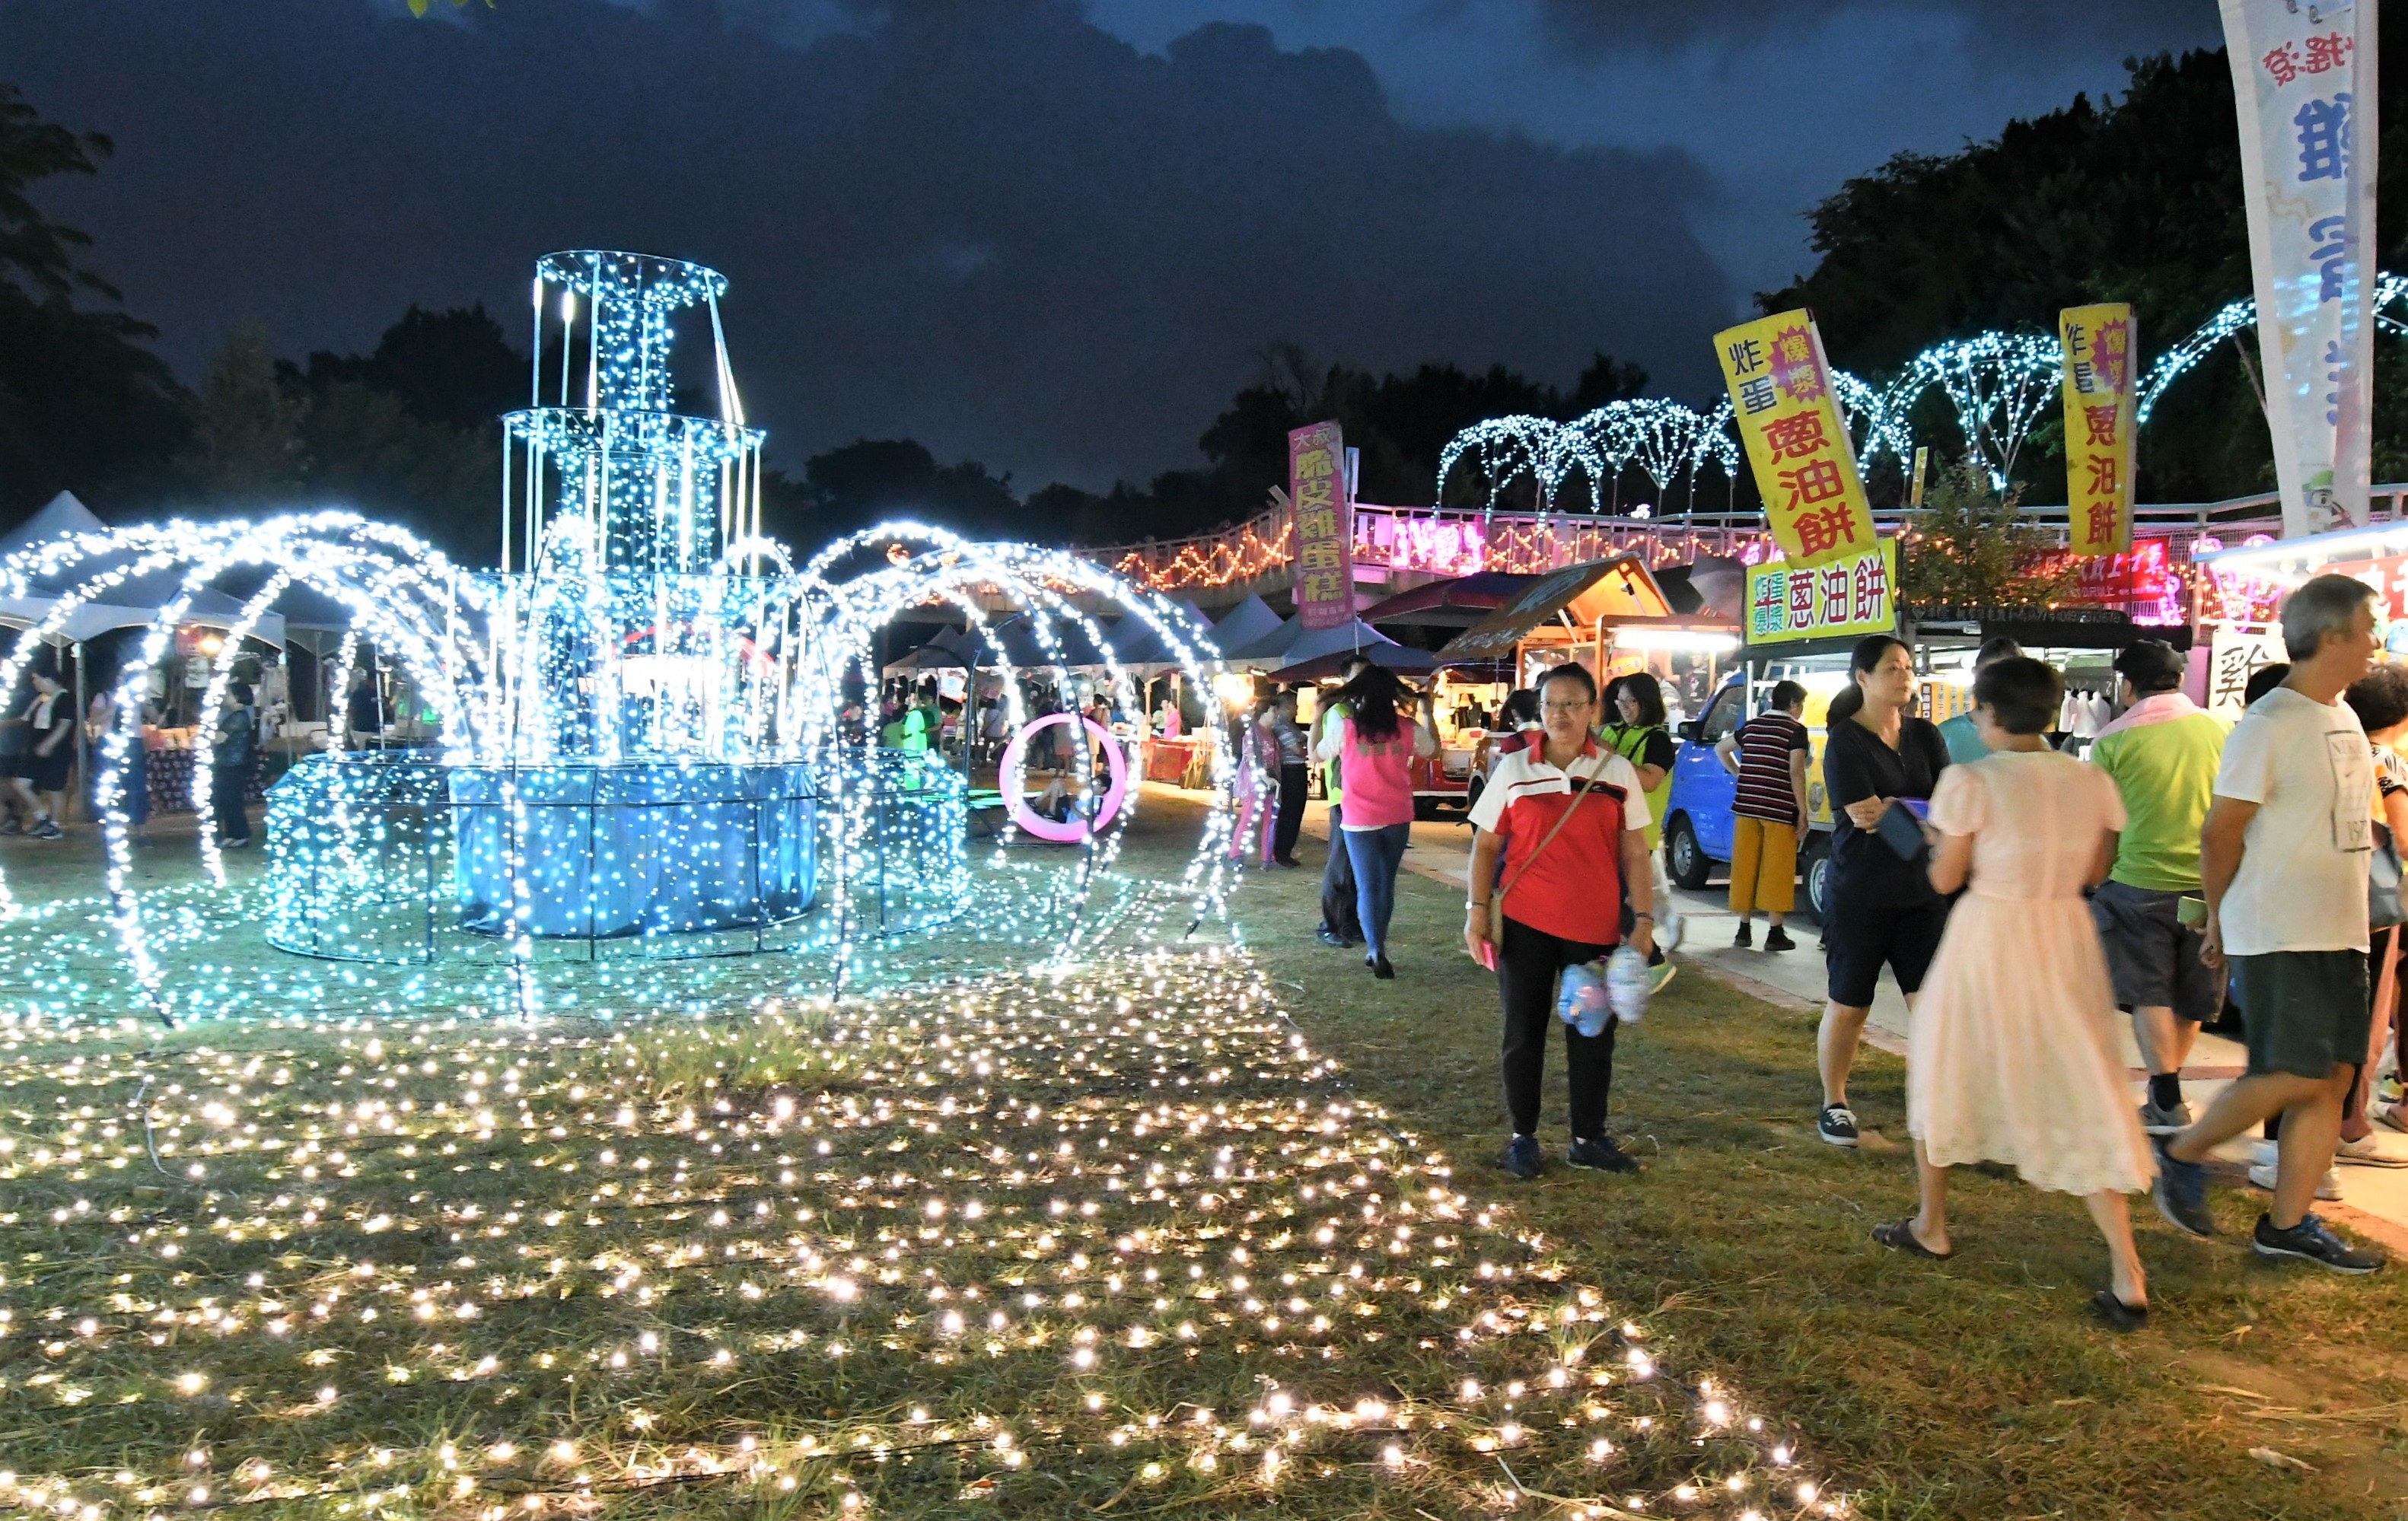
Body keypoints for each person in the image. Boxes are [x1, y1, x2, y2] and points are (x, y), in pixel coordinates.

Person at [1874, 656, 2156, 1328]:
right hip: (2064, 932)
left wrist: (1936, 840)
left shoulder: (1968, 779)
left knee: (1946, 1062)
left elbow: (1945, 880)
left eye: (1977, 710)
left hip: (1990, 932)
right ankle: (2127, 1267)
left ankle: (1932, 1223)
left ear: (1990, 713)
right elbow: (2097, 866)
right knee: (2081, 1079)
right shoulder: (2090, 778)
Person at [2154, 574, 2389, 1274]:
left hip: (2340, 927)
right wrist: (2220, 918)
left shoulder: (2342, 716)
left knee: (2330, 1079)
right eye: (2368, 627)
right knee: (2290, 1070)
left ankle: (2287, 1224)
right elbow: (2221, 833)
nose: (2377, 641)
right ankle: (2180, 1150)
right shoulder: (2269, 723)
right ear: (2332, 636)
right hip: (2279, 926)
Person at [1464, 662, 1655, 1179]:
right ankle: (1523, 1136)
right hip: (1525, 923)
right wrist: (1476, 911)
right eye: (1551, 704)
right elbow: (1486, 846)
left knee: (1593, 1034)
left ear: (1594, 708)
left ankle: (1587, 1137)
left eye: (1573, 704)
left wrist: (1643, 919)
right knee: (1522, 1031)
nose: (1561, 714)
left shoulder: (1615, 773)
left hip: (1595, 928)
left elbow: (1635, 853)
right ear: (1538, 710)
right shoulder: (1515, 769)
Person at [1815, 634, 1951, 1147]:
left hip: (1922, 893)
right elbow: (1863, 815)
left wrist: (1899, 807)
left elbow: (1950, 803)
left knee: (1932, 1003)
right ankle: (1835, 1101)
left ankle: (1937, 1100)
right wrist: (1923, 815)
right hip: (1861, 893)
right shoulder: (1845, 741)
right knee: (1850, 1003)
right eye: (1892, 668)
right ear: (1863, 678)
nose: (1904, 676)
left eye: (1908, 667)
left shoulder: (1926, 735)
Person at [2087, 638, 2227, 1136]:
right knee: (2191, 995)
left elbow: (2103, 827)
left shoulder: (2113, 741)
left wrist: (2096, 879)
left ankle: (2165, 1091)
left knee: (2150, 994)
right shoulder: (2221, 729)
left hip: (2138, 885)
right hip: (2208, 887)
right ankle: (2164, 1091)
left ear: (2127, 686)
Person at [1316, 666, 1438, 978]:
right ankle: (1378, 943)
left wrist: (1318, 716)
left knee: (1368, 886)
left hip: (1358, 818)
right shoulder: (1407, 727)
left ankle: (1376, 948)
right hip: (1397, 815)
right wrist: (1428, 711)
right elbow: (1433, 750)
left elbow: (1317, 754)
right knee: (1386, 884)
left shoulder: (1346, 727)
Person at [1599, 670, 1684, 986]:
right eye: (1620, 700)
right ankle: (1630, 957)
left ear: (1647, 702)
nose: (1624, 707)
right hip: (1604, 831)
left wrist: (1614, 757)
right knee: (1605, 899)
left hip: (1636, 834)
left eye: (1631, 701)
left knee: (1609, 902)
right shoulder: (1610, 732)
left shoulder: (1658, 739)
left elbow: (1650, 781)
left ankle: (1653, 960)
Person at [1715, 679, 1810, 951]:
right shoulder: (1795, 730)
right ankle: (1774, 932)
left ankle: (1743, 930)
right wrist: (1803, 811)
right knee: (1776, 870)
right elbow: (1796, 772)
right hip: (1779, 809)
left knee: (1746, 867)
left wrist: (1739, 773)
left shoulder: (1752, 727)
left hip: (1746, 807)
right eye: (1800, 704)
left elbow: (1721, 748)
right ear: (1792, 703)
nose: (1801, 709)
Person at [1315, 654, 1372, 948]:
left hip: (1364, 797)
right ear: (1346, 680)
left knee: (1355, 866)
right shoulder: (1339, 712)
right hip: (1344, 795)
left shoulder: (1366, 710)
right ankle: (1330, 924)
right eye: (1358, 676)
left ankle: (1349, 922)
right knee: (1340, 864)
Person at [1935, 638, 2023, 765]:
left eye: (2008, 677)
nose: (1996, 684)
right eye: (1988, 675)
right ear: (1975, 673)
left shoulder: (2030, 741)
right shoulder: (1944, 735)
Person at [12, 671, 72, 839]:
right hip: (35, 748)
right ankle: (42, 817)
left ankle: (55, 825)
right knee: (20, 783)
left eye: (36, 679)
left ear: (49, 678)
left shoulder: (65, 698)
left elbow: (64, 725)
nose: (34, 683)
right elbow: (26, 719)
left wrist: (49, 744)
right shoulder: (41, 699)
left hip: (56, 749)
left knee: (54, 787)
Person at [1227, 696, 1279, 868]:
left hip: (1271, 781)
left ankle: (1268, 857)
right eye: (1273, 710)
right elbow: (1251, 758)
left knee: (1270, 819)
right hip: (1254, 782)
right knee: (1249, 818)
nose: (1276, 714)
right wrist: (1264, 778)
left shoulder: (1270, 733)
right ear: (1263, 713)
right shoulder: (1253, 733)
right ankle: (1236, 854)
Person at [211, 679, 258, 849]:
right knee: (227, 800)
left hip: (234, 764)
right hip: (229, 763)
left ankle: (240, 834)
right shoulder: (235, 716)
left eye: (228, 693)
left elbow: (220, 738)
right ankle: (233, 833)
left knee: (231, 800)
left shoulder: (239, 717)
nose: (224, 696)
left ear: (237, 697)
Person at [1269, 689, 1310, 867]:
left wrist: (1303, 747)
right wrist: (1304, 749)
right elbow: (1299, 750)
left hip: (1296, 769)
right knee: (1290, 813)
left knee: (1295, 812)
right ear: (1286, 707)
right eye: (1295, 705)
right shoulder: (1282, 726)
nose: (1297, 709)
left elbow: (1303, 743)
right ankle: (1282, 852)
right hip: (1291, 771)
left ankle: (1284, 851)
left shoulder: (1289, 725)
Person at [344, 665, 384, 751]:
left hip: (378, 731)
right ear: (370, 681)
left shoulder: (381, 696)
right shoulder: (360, 694)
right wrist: (350, 726)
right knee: (362, 752)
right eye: (378, 681)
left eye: (382, 681)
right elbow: (352, 710)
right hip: (362, 730)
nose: (380, 684)